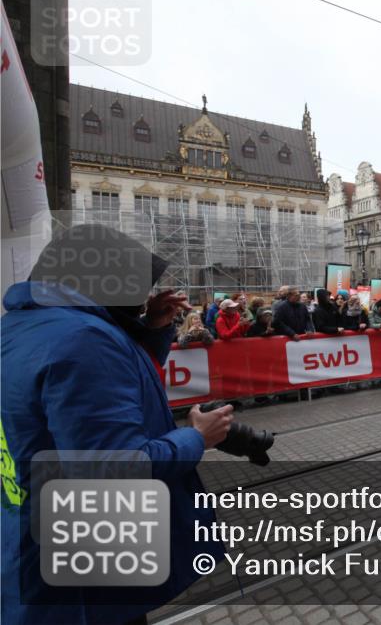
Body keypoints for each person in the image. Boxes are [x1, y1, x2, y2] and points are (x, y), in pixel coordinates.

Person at [1, 223, 231, 625]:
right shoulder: (84, 340)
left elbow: (116, 386)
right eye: (135, 285)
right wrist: (195, 438)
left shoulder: (22, 326)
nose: (143, 296)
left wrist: (152, 329)